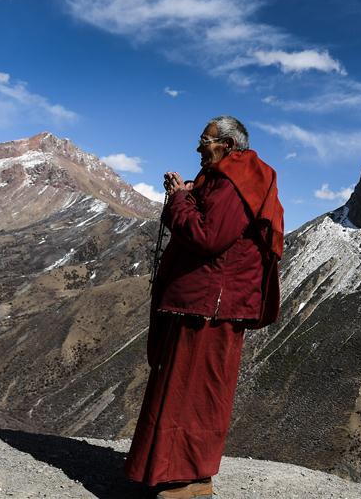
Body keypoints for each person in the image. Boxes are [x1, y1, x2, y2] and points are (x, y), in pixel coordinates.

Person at [125, 115, 283, 499]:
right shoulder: (225, 179)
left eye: (205, 140)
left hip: (212, 308)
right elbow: (206, 219)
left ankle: (190, 479)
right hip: (205, 303)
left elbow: (208, 236)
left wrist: (180, 199)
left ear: (227, 145)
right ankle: (172, 473)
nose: (199, 147)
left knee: (193, 394)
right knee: (184, 389)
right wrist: (186, 193)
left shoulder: (237, 182)